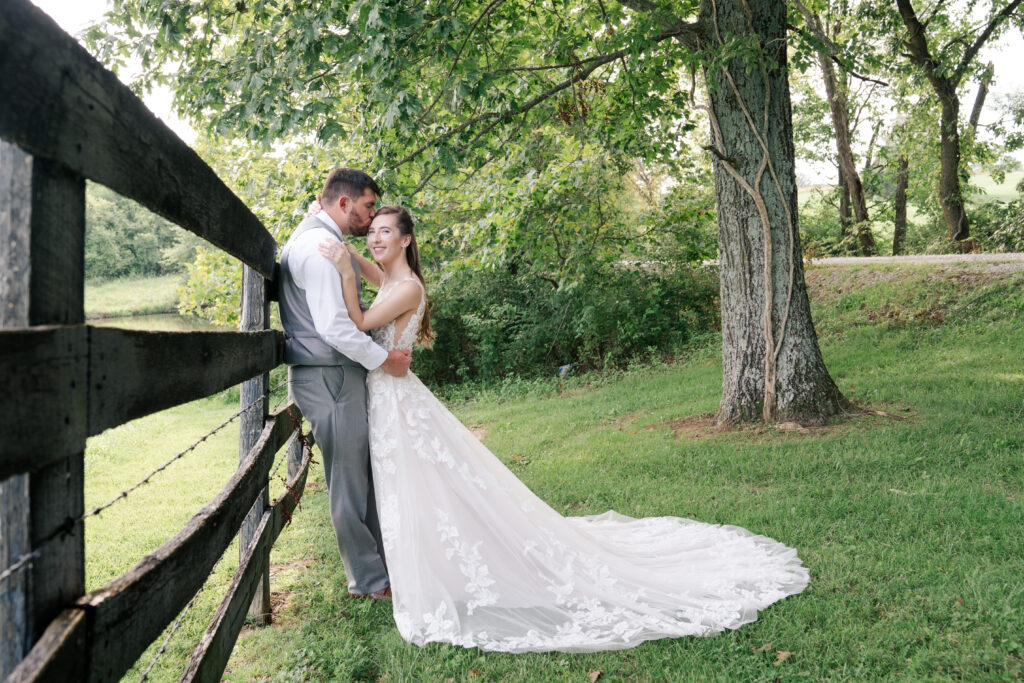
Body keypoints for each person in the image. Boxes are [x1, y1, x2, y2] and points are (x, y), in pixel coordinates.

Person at [318, 206, 810, 653]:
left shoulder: (405, 288)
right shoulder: (390, 277)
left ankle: (437, 571)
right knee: (418, 488)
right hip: (389, 398)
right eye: (373, 232)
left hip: (396, 402)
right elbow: (371, 269)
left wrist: (343, 270)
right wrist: (347, 251)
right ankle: (423, 567)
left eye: (386, 233)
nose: (375, 240)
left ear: (406, 240)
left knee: (425, 485)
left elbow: (359, 321)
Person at [277, 168, 411, 600]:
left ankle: (384, 567)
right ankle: (369, 581)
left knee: (361, 475)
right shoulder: (319, 250)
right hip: (328, 374)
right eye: (368, 206)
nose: (370, 218)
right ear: (342, 203)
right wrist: (383, 358)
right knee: (348, 482)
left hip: (334, 373)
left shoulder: (323, 239)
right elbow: (334, 328)